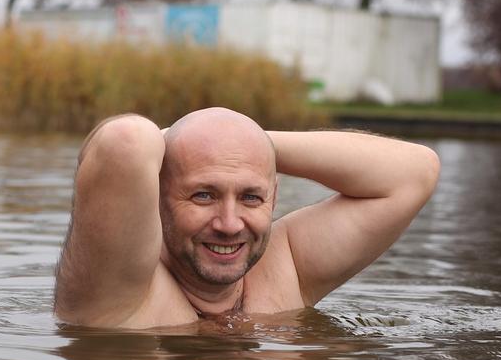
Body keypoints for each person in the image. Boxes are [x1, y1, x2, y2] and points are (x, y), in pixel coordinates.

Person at [54, 108, 440, 328]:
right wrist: (187, 140)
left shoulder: (287, 269)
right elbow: (126, 141)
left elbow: (415, 172)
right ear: (157, 197)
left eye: (251, 197)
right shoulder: (120, 290)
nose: (229, 223)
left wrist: (251, 142)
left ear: (274, 198)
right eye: (203, 195)